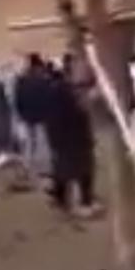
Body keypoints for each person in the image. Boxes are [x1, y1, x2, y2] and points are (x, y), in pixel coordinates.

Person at [45, 57, 99, 218]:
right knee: (70, 170)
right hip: (68, 138)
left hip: (77, 138)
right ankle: (71, 200)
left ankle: (81, 200)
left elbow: (84, 115)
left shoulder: (73, 90)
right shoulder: (60, 91)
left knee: (80, 170)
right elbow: (55, 118)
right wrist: (55, 140)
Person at [14, 54, 53, 177]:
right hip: (40, 116)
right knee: (41, 142)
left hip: (27, 116)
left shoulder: (22, 81)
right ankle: (42, 168)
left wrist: (21, 114)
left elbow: (18, 100)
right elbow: (47, 98)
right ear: (37, 66)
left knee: (29, 144)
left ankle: (27, 167)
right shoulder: (43, 80)